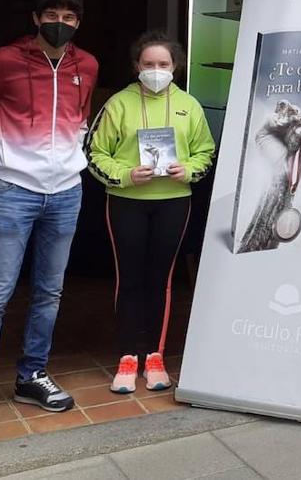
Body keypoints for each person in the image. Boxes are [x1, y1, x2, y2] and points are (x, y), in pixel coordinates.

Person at [0, 0, 99, 440]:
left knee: (49, 293)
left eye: (69, 18)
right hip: (13, 191)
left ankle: (31, 375)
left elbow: (81, 122)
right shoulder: (2, 62)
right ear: (36, 19)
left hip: (66, 192)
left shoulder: (86, 65)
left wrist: (75, 163)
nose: (60, 24)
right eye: (52, 15)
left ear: (78, 23)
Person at [87, 31, 216, 394]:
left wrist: (187, 170)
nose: (156, 70)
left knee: (161, 278)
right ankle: (128, 356)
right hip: (126, 201)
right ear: (136, 67)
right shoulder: (118, 104)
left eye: (163, 64)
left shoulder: (189, 105)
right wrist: (125, 175)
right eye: (148, 64)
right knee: (129, 278)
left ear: (175, 67)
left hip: (174, 202)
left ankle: (155, 357)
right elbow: (95, 154)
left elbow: (205, 151)